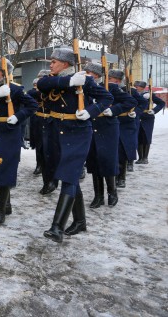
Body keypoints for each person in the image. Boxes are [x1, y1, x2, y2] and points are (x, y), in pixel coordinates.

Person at [37, 48, 113, 244]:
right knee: (69, 177)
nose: (50, 64)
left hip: (78, 132)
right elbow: (43, 84)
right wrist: (69, 81)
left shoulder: (86, 81)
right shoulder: (52, 79)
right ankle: (80, 222)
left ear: (66, 64)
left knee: (69, 177)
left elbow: (107, 98)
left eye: (54, 61)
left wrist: (91, 111)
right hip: (57, 131)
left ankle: (57, 227)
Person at [70, 65, 135, 237]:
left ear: (97, 76)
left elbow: (131, 102)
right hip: (91, 127)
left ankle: (112, 193)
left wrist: (112, 110)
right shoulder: (82, 89)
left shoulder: (110, 88)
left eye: (90, 74)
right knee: (94, 161)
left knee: (107, 160)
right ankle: (98, 196)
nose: (87, 76)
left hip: (108, 128)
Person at [0, 58, 37, 225]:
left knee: (5, 170)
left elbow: (32, 105)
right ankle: (6, 205)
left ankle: (0, 210)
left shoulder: (15, 89)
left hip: (9, 133)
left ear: (3, 72)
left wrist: (17, 117)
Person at [115, 77, 148, 187]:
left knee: (124, 149)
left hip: (126, 122)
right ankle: (113, 175)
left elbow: (143, 103)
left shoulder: (130, 90)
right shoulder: (104, 87)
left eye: (115, 79)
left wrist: (136, 112)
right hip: (110, 121)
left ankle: (122, 177)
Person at [134, 81, 165, 164]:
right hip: (137, 116)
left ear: (143, 87)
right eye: (135, 86)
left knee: (146, 137)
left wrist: (154, 110)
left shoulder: (150, 95)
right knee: (138, 137)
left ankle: (145, 158)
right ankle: (140, 158)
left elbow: (161, 103)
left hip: (147, 117)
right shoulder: (133, 94)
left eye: (138, 86)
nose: (136, 87)